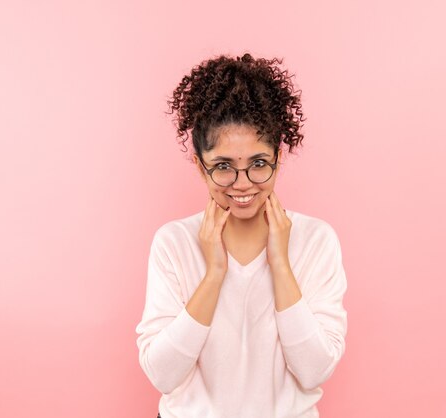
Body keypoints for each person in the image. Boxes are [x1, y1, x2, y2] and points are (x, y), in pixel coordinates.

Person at [135, 53, 348, 418]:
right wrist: (214, 273)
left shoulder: (316, 241)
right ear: (200, 167)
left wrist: (280, 262)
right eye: (223, 167)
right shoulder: (173, 243)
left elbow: (314, 369)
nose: (243, 183)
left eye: (259, 164)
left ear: (278, 158)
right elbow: (163, 374)